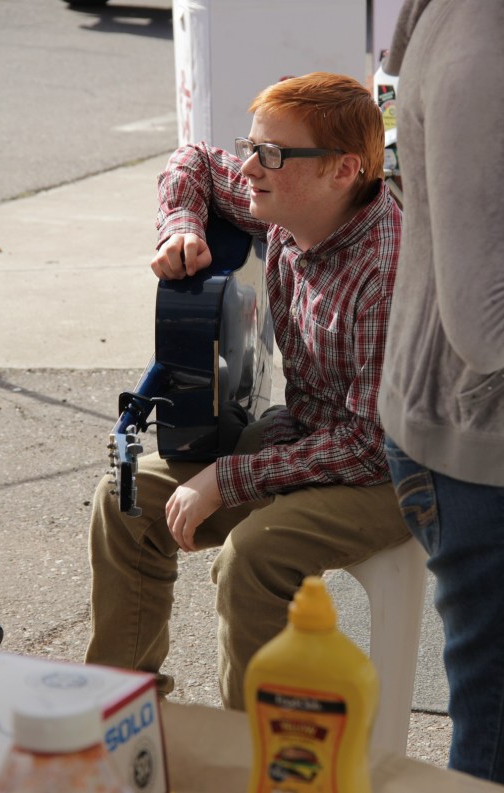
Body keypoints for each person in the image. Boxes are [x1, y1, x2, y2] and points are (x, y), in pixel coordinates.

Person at [86, 72, 409, 709]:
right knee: (122, 500)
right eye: (252, 145)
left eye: (272, 153)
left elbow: (370, 447)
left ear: (343, 170)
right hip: (313, 435)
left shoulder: (384, 269)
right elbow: (195, 160)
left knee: (253, 557)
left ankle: (258, 759)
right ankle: (120, 719)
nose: (252, 167)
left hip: (393, 472)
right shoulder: (294, 202)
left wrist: (228, 479)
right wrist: (181, 227)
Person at [377, 0, 504, 783]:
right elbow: (484, 323)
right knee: (491, 741)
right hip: (474, 459)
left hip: (461, 436)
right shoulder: (479, 54)